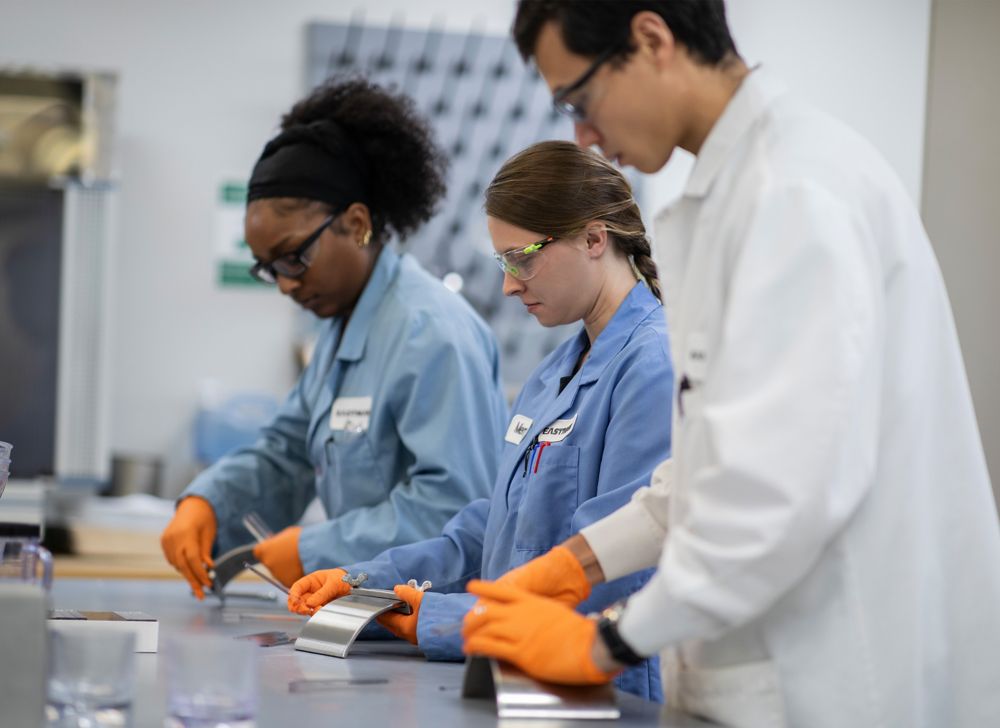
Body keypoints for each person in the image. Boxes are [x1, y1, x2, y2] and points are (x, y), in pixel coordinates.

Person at [461, 3, 1000, 727]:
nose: (584, 136)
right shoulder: (736, 195)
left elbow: (774, 496)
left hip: (839, 682)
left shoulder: (793, 193)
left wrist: (608, 641)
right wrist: (575, 564)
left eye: (581, 101)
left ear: (651, 39)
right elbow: (713, 471)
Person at [286, 140, 674, 701]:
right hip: (522, 680)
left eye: (522, 258)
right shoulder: (551, 375)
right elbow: (491, 529)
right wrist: (364, 580)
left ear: (595, 239)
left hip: (606, 691)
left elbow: (610, 570)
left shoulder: (652, 367)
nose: (509, 285)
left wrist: (446, 619)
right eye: (502, 262)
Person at [160, 78, 508, 597]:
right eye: (267, 269)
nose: (284, 283)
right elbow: (286, 454)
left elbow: (457, 509)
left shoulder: (431, 333)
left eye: (293, 256)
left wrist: (315, 549)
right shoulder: (338, 334)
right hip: (367, 618)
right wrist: (207, 501)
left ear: (357, 223)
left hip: (433, 626)